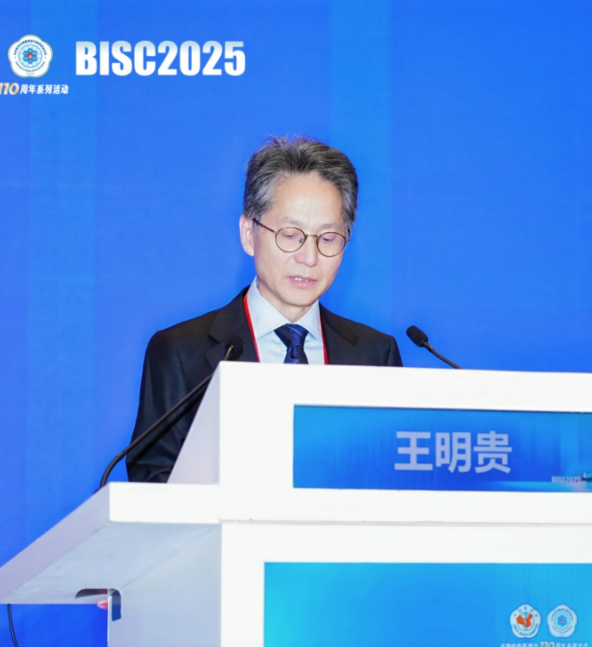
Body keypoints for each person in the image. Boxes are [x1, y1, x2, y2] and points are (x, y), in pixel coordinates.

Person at [126, 136, 403, 483]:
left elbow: (393, 478)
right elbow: (153, 483)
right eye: (290, 234)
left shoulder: (376, 354)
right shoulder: (181, 352)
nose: (309, 257)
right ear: (248, 233)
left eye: (328, 238)